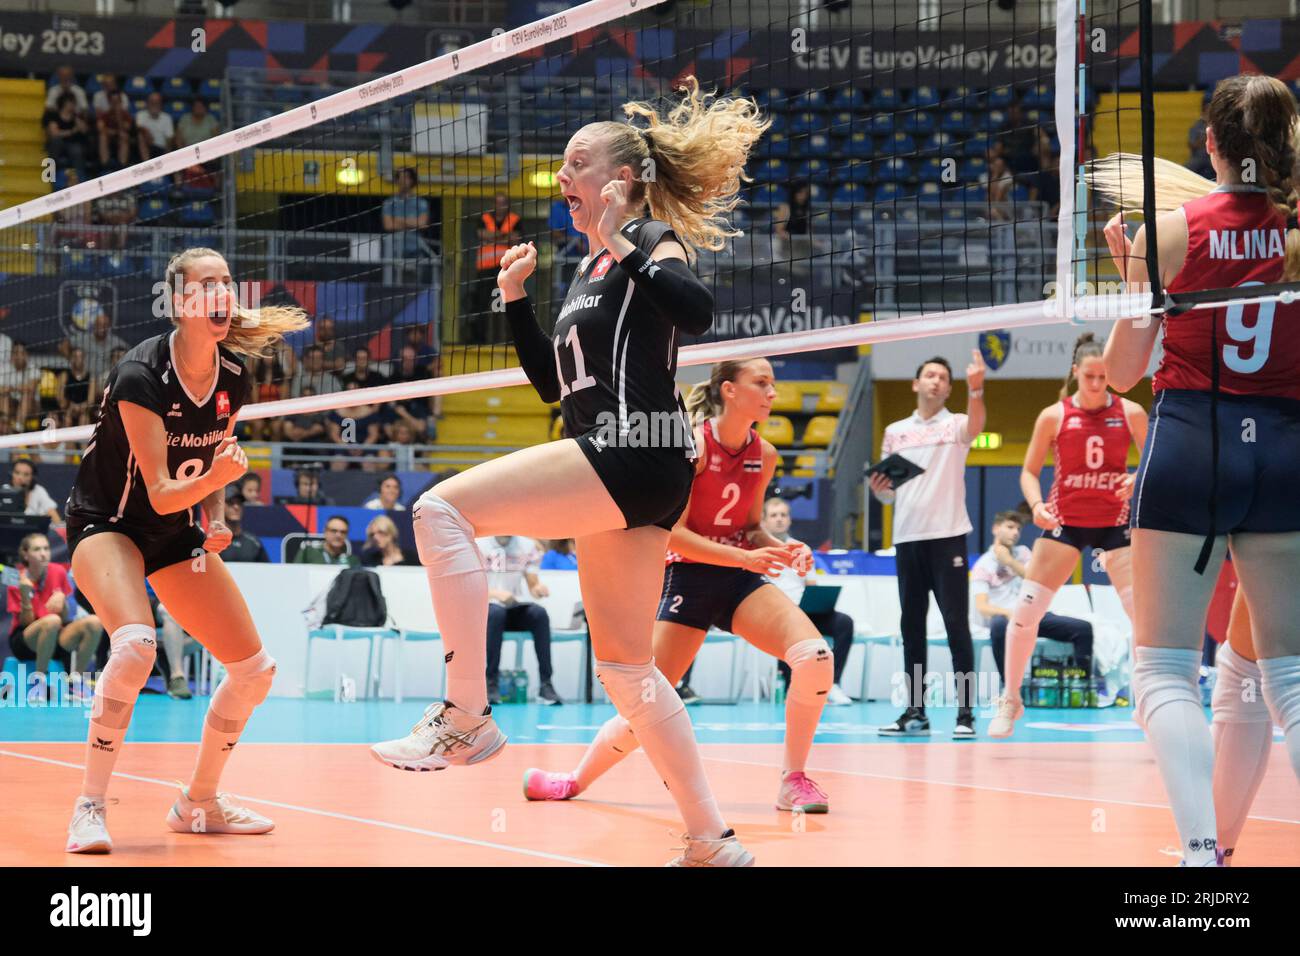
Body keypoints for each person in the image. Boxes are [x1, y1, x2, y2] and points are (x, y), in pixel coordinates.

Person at [370, 76, 768, 865]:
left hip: (635, 449)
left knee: (439, 512)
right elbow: (558, 389)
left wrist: (623, 235)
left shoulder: (646, 240)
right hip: (627, 472)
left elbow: (698, 311)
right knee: (626, 669)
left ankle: (467, 713)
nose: (562, 178)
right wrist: (515, 301)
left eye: (575, 163)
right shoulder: (589, 271)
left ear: (619, 179)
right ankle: (709, 838)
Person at [1096, 73, 1300, 866]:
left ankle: (1200, 854)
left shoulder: (1168, 231)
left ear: (1208, 142)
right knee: (1289, 680)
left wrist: (1134, 276)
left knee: (1164, 670)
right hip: (1282, 446)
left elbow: (1120, 371)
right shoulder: (1293, 231)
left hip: (1190, 442)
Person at [60, 245, 308, 853]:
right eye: (207, 284)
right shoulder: (139, 375)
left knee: (255, 671)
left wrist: (216, 517)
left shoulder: (232, 377)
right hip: (107, 525)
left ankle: (199, 802)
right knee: (138, 645)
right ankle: (88, 807)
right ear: (179, 303)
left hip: (173, 532)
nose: (223, 292)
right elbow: (165, 489)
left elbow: (210, 466)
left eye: (228, 280)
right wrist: (213, 487)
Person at [524, 357, 834, 811]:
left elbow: (749, 527)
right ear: (729, 390)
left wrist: (785, 547)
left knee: (815, 656)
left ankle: (794, 781)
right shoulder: (695, 447)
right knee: (645, 703)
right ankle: (573, 780)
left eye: (773, 384)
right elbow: (675, 533)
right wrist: (744, 555)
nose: (773, 393)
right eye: (761, 383)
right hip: (688, 575)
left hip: (738, 579)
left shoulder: (764, 454)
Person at [988, 332, 1145, 736]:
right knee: (1025, 616)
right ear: (1076, 373)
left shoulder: (1130, 412)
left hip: (1115, 523)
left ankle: (1146, 702)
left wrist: (1137, 480)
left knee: (1143, 619)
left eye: (1103, 377)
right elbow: (1028, 471)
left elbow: (1153, 464)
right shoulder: (1053, 415)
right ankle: (1011, 699)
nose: (1096, 385)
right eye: (1089, 377)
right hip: (1065, 522)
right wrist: (1037, 505)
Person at [869, 352, 987, 737]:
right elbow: (889, 495)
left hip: (948, 536)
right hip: (907, 539)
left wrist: (976, 388)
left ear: (949, 388)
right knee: (912, 628)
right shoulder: (895, 430)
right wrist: (880, 490)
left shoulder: (957, 424)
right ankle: (915, 711)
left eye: (942, 377)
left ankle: (965, 714)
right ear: (915, 383)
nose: (935, 381)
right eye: (929, 375)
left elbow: (978, 423)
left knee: (956, 626)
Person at [972, 511, 1094, 688]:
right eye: (1010, 527)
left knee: (1083, 629)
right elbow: (982, 607)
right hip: (1005, 618)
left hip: (1031, 615)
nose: (1015, 532)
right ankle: (1010, 688)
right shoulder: (983, 565)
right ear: (995, 529)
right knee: (998, 626)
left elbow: (1037, 580)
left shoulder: (1023, 554)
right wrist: (1007, 613)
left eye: (1018, 529)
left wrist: (1010, 562)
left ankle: (1080, 687)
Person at [762, 495, 855, 705]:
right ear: (764, 521)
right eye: (774, 515)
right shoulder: (758, 550)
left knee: (844, 623)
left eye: (783, 515)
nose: (779, 519)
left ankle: (833, 683)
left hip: (805, 611)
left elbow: (811, 585)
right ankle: (790, 686)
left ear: (790, 520)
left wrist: (816, 602)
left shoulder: (800, 548)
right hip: (775, 614)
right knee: (788, 626)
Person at [7, 533, 104, 700]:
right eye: (37, 549)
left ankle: (75, 682)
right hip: (26, 641)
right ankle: (39, 682)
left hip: (55, 637)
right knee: (52, 621)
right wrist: (25, 597)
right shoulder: (18, 579)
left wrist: (63, 604)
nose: (44, 553)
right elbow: (25, 622)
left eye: (46, 548)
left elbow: (65, 618)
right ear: (25, 554)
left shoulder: (58, 572)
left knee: (94, 622)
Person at [478, 535, 562, 705]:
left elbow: (533, 584)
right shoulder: (479, 545)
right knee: (496, 614)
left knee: (539, 614)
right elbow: (471, 585)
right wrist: (495, 594)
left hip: (514, 606)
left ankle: (546, 685)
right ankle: (490, 683)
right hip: (487, 609)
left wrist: (538, 589)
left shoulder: (527, 545)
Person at [470, 192, 522, 342]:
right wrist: (504, 236)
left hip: (507, 269)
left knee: (508, 304)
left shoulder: (515, 219)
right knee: (482, 304)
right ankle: (480, 339)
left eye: (503, 202)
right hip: (485, 270)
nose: (500, 206)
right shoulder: (484, 218)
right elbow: (481, 234)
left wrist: (492, 236)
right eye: (498, 203)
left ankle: (510, 340)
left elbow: (516, 237)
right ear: (494, 204)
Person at [381, 167, 430, 283]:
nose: (403, 181)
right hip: (392, 252)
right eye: (400, 178)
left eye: (407, 177)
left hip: (415, 252)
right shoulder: (389, 203)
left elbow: (422, 224)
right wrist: (413, 222)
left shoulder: (421, 203)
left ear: (412, 180)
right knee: (390, 286)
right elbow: (388, 225)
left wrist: (397, 220)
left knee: (413, 287)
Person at [43, 93, 90, 183]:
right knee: (55, 143)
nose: (73, 105)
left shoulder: (75, 117)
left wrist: (79, 123)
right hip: (59, 142)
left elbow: (84, 130)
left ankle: (79, 177)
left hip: (72, 142)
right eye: (72, 103)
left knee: (77, 150)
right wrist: (71, 131)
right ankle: (50, 174)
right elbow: (55, 133)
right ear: (65, 103)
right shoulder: (54, 116)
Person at [94, 76, 134, 170]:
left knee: (124, 136)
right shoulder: (105, 114)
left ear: (120, 102)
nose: (115, 104)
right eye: (113, 102)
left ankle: (122, 165)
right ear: (110, 102)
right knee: (102, 136)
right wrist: (111, 132)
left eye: (117, 102)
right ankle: (105, 165)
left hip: (120, 136)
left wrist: (119, 116)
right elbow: (100, 127)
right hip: (109, 136)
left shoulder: (125, 115)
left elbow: (127, 128)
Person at [772, 179, 813, 272]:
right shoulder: (785, 207)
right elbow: (779, 230)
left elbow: (808, 232)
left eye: (805, 193)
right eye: (800, 193)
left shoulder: (806, 210)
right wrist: (792, 239)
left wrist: (820, 244)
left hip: (801, 247)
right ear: (794, 193)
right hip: (785, 247)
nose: (803, 196)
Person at [6, 457, 62, 522]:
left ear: (32, 477)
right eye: (17, 472)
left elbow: (55, 518)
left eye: (26, 474)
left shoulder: (38, 491)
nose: (20, 477)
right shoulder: (4, 491)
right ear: (11, 474)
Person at [219, 492, 268, 563]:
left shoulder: (254, 543)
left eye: (239, 503)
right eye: (230, 503)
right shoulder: (213, 542)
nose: (236, 507)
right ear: (221, 507)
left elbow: (267, 570)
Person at [292, 515, 357, 566]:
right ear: (325, 531)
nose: (338, 535)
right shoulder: (308, 553)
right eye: (334, 531)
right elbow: (295, 575)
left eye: (343, 532)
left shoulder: (352, 561)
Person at [135, 92, 175, 161]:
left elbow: (169, 139)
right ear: (147, 103)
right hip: (146, 146)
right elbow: (139, 128)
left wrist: (167, 157)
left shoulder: (167, 118)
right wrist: (146, 132)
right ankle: (147, 165)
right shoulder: (140, 115)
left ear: (161, 104)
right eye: (152, 102)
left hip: (161, 149)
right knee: (141, 136)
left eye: (157, 102)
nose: (154, 104)